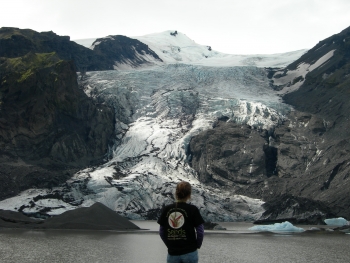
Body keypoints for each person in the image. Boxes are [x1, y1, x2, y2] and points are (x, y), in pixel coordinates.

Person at [157, 181, 204, 263]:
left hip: (172, 254)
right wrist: (197, 245)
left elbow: (161, 232)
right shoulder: (193, 209)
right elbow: (200, 231)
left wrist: (169, 245)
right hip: (190, 252)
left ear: (176, 193)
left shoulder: (167, 209)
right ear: (189, 194)